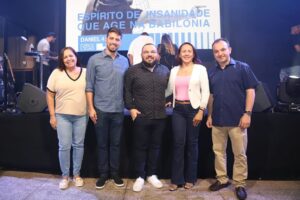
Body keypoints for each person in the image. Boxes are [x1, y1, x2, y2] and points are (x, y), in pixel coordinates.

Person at [206, 38, 258, 200]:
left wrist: (247, 113)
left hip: (238, 120)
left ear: (230, 50)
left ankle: (240, 184)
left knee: (239, 154)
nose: (220, 53)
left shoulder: (243, 68)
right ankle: (222, 179)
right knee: (219, 152)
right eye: (216, 51)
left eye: (223, 50)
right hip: (218, 120)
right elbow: (211, 96)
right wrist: (209, 115)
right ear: (214, 54)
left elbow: (251, 91)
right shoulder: (212, 71)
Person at [86, 27, 129, 189]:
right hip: (100, 110)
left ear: (120, 41)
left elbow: (127, 87)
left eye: (117, 39)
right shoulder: (94, 60)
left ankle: (115, 173)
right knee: (102, 144)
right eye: (111, 38)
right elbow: (89, 86)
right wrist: (91, 108)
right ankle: (103, 175)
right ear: (106, 39)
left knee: (116, 144)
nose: (114, 42)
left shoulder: (124, 61)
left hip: (118, 110)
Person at [124, 43, 169, 192]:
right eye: (146, 52)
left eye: (152, 52)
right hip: (141, 116)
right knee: (140, 147)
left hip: (160, 117)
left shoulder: (165, 70)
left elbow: (170, 90)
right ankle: (140, 176)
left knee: (155, 147)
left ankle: (151, 174)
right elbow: (127, 92)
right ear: (142, 54)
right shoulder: (132, 71)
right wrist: (131, 108)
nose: (150, 54)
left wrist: (170, 100)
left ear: (157, 54)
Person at [165, 42, 209, 191]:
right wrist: (161, 100)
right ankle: (176, 179)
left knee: (192, 144)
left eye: (189, 51)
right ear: (179, 54)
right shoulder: (174, 70)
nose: (186, 53)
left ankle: (190, 178)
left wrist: (201, 110)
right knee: (178, 144)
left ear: (193, 53)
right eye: (183, 51)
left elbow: (206, 92)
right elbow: (169, 90)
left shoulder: (200, 69)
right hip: (178, 109)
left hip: (194, 109)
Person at [46, 47, 88, 190]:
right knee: (64, 147)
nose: (69, 59)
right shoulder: (56, 73)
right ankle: (65, 176)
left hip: (82, 116)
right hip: (62, 116)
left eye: (71, 56)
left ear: (76, 57)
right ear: (62, 60)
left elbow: (91, 93)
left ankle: (76, 175)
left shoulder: (86, 73)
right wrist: (52, 115)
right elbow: (50, 95)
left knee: (78, 146)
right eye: (65, 57)